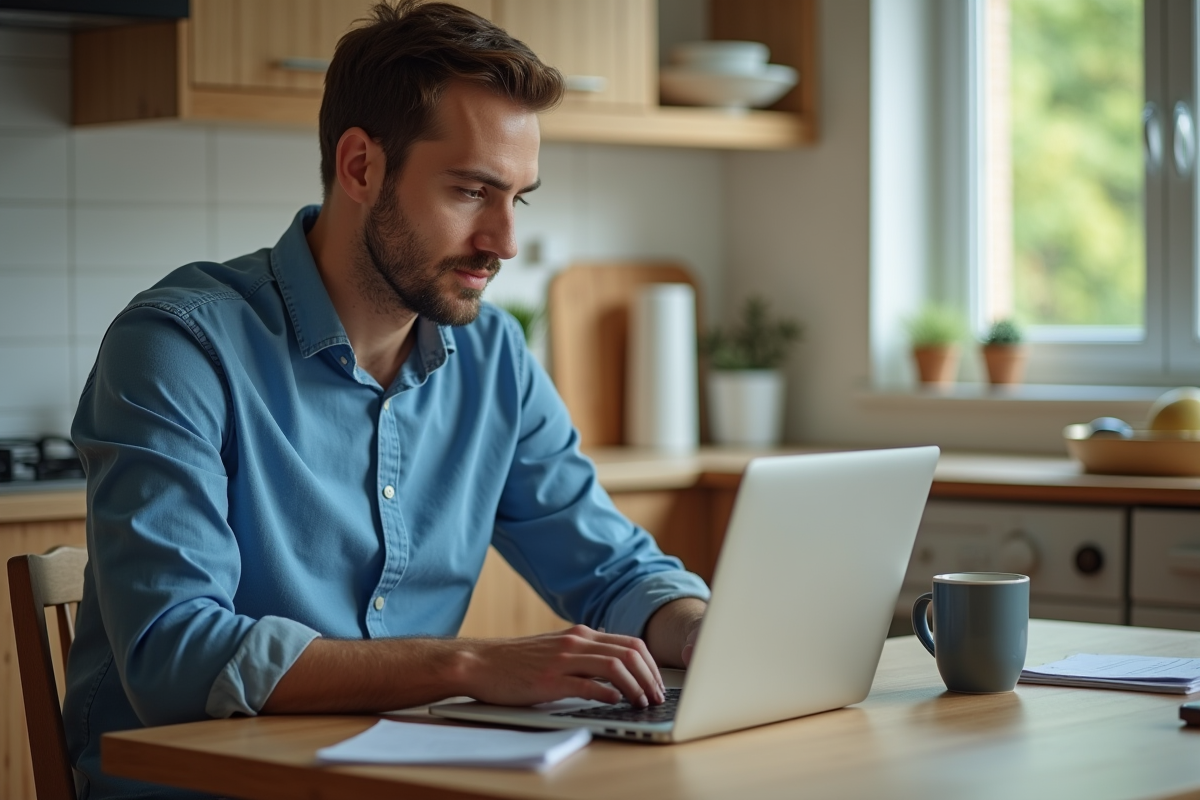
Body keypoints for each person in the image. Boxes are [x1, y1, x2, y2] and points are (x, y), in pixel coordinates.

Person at [62, 2, 709, 797]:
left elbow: (611, 571)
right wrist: (471, 664)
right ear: (361, 166)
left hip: (398, 776)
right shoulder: (178, 347)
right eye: (473, 191)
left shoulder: (493, 355)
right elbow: (176, 652)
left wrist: (700, 629)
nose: (505, 242)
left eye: (519, 199)